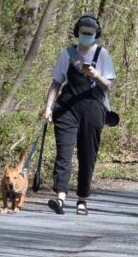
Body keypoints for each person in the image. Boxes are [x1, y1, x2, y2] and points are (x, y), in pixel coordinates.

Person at [43, 14, 117, 216]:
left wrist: (95, 75)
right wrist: (49, 107)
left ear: (96, 34)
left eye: (90, 33)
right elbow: (56, 83)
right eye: (83, 33)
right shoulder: (67, 54)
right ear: (77, 33)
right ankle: (60, 197)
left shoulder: (102, 54)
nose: (86, 36)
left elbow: (108, 84)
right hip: (67, 108)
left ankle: (82, 198)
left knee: (87, 155)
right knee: (64, 153)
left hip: (93, 109)